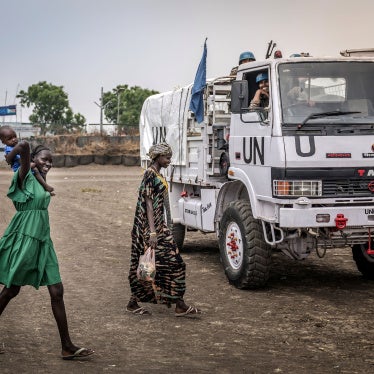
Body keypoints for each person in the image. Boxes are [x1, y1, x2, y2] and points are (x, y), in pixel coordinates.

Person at [0, 141, 94, 360]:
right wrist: (20, 159)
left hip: (42, 240)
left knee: (57, 292)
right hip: (24, 238)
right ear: (33, 159)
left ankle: (67, 347)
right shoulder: (24, 174)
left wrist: (40, 170)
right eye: (44, 159)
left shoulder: (41, 180)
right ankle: (67, 346)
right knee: (11, 290)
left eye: (51, 161)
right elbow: (23, 145)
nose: (49, 164)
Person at [127, 142, 201, 317]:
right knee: (166, 264)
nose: (169, 160)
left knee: (152, 266)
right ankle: (179, 305)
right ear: (158, 157)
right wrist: (153, 232)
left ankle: (135, 301)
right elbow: (149, 204)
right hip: (151, 229)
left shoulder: (158, 174)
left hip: (160, 227)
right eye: (167, 157)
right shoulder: (149, 175)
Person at [0, 126, 55, 195]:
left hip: (24, 165)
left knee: (40, 172)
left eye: (15, 137)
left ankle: (44, 190)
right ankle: (45, 186)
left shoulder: (15, 146)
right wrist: (29, 164)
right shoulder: (9, 149)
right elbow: (19, 160)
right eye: (10, 139)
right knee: (35, 170)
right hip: (19, 167)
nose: (14, 139)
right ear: (3, 141)